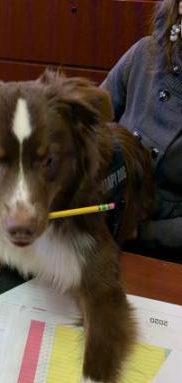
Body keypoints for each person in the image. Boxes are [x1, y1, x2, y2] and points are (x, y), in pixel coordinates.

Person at [101, 0, 182, 262]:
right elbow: (86, 122)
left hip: (167, 251)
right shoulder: (144, 53)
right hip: (101, 220)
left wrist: (138, 233)